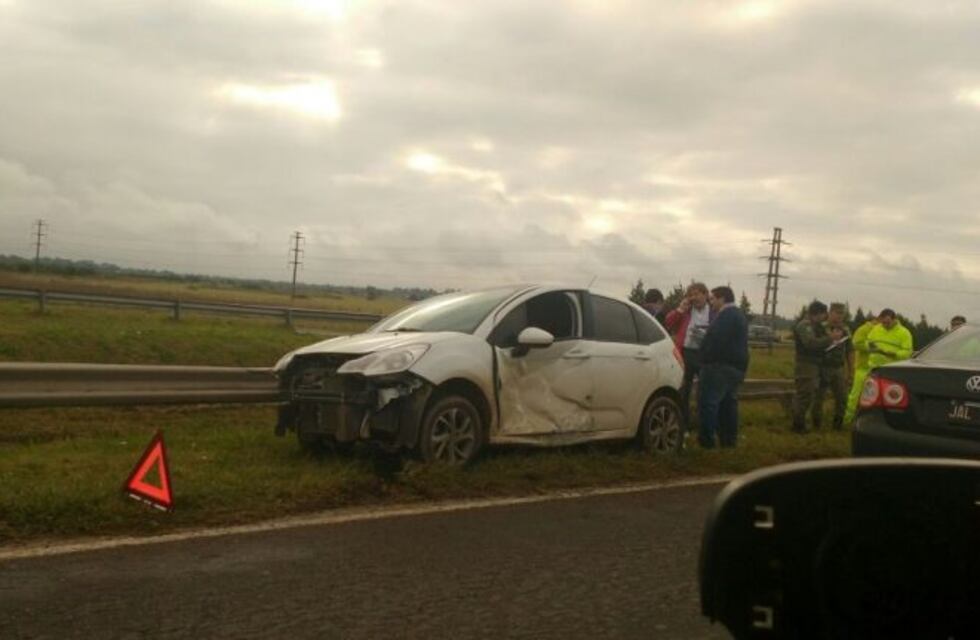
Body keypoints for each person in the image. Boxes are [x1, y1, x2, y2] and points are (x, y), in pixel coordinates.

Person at [697, 286, 748, 449]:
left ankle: (707, 441)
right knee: (728, 405)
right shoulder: (739, 315)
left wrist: (704, 358)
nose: (710, 302)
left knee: (708, 403)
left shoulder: (726, 316)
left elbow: (716, 341)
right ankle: (729, 441)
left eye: (712, 299)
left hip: (719, 366)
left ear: (722, 299)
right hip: (736, 367)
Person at [664, 282, 715, 425]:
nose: (694, 298)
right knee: (684, 389)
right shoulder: (686, 311)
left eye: (697, 294)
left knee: (704, 390)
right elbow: (668, 322)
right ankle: (684, 422)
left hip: (705, 355)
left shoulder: (713, 311)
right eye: (691, 295)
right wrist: (680, 309)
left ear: (705, 294)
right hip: (686, 353)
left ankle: (702, 422)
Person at [792, 301, 843, 433]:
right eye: (824, 314)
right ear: (818, 313)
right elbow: (810, 343)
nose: (825, 317)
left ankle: (800, 423)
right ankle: (798, 425)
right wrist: (830, 339)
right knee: (804, 394)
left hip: (815, 364)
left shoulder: (816, 326)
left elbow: (821, 342)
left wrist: (832, 342)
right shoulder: (805, 325)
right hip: (806, 364)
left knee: (809, 394)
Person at [813, 302, 852, 431]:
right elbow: (814, 345)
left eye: (842, 314)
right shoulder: (820, 327)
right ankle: (816, 424)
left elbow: (850, 350)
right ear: (830, 313)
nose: (840, 316)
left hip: (838, 368)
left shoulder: (845, 330)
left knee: (842, 398)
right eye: (837, 313)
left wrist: (851, 370)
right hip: (822, 367)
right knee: (819, 397)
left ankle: (837, 425)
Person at [844, 312, 879, 425]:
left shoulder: (883, 331)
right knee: (855, 395)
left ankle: (867, 420)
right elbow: (856, 343)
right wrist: (872, 348)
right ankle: (847, 419)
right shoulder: (863, 329)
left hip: (876, 368)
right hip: (862, 368)